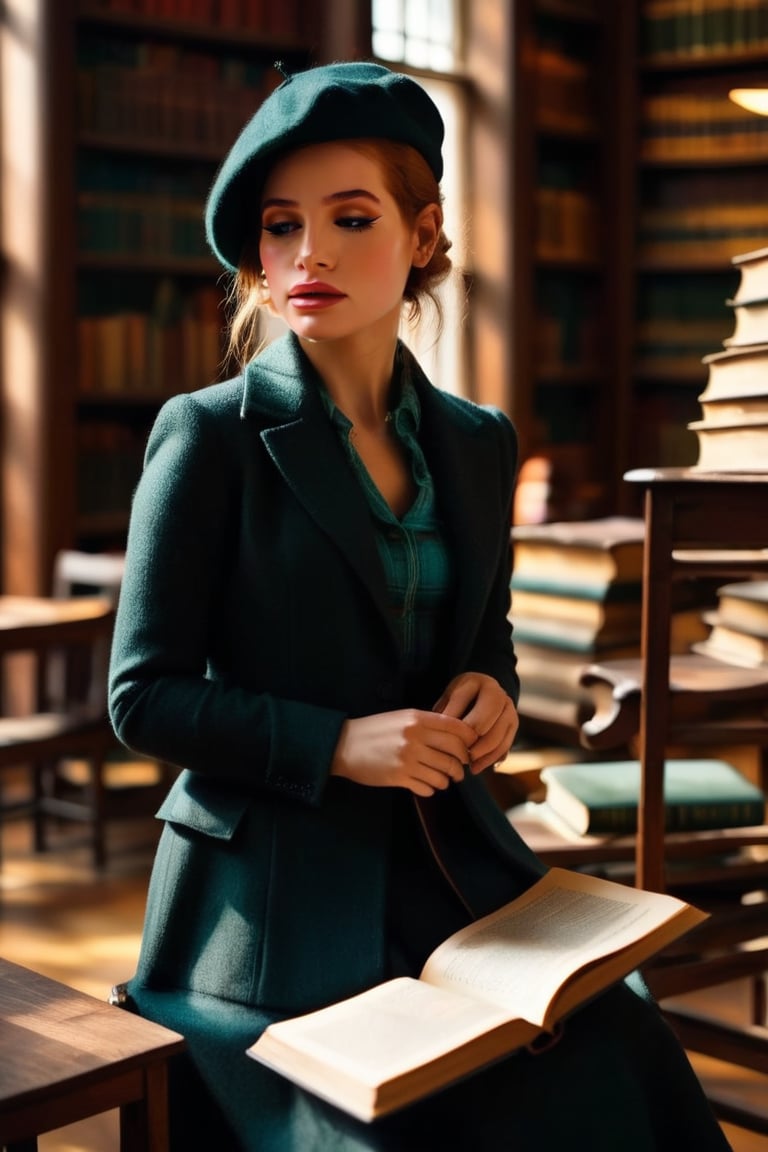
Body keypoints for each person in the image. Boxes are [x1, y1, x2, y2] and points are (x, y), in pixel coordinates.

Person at [108, 60, 731, 1151]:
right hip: (263, 904)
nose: (311, 253)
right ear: (257, 256)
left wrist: (489, 688)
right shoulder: (206, 437)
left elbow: (478, 637)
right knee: (408, 1128)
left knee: (625, 1061)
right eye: (281, 225)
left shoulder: (479, 444)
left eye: (353, 217)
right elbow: (142, 698)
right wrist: (337, 745)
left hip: (449, 869)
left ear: (425, 236)